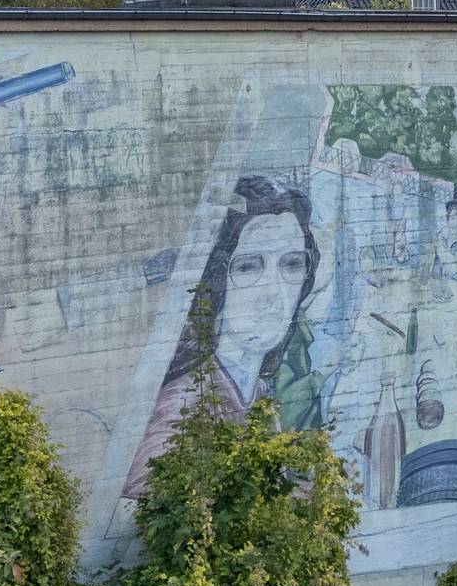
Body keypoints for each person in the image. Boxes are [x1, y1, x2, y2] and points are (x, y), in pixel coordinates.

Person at [124, 176, 322, 497]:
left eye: (291, 264)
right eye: (247, 267)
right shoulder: (183, 408)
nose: (272, 292)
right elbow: (149, 503)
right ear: (217, 282)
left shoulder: (253, 391)